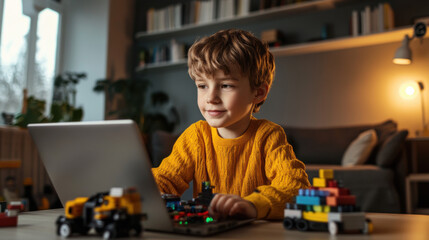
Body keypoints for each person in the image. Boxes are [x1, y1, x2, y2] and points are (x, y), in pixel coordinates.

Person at [152, 29, 310, 220]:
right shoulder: (195, 136)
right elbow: (164, 180)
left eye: (226, 85)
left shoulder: (269, 136)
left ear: (258, 93)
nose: (211, 98)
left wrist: (254, 204)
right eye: (202, 86)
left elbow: (295, 187)